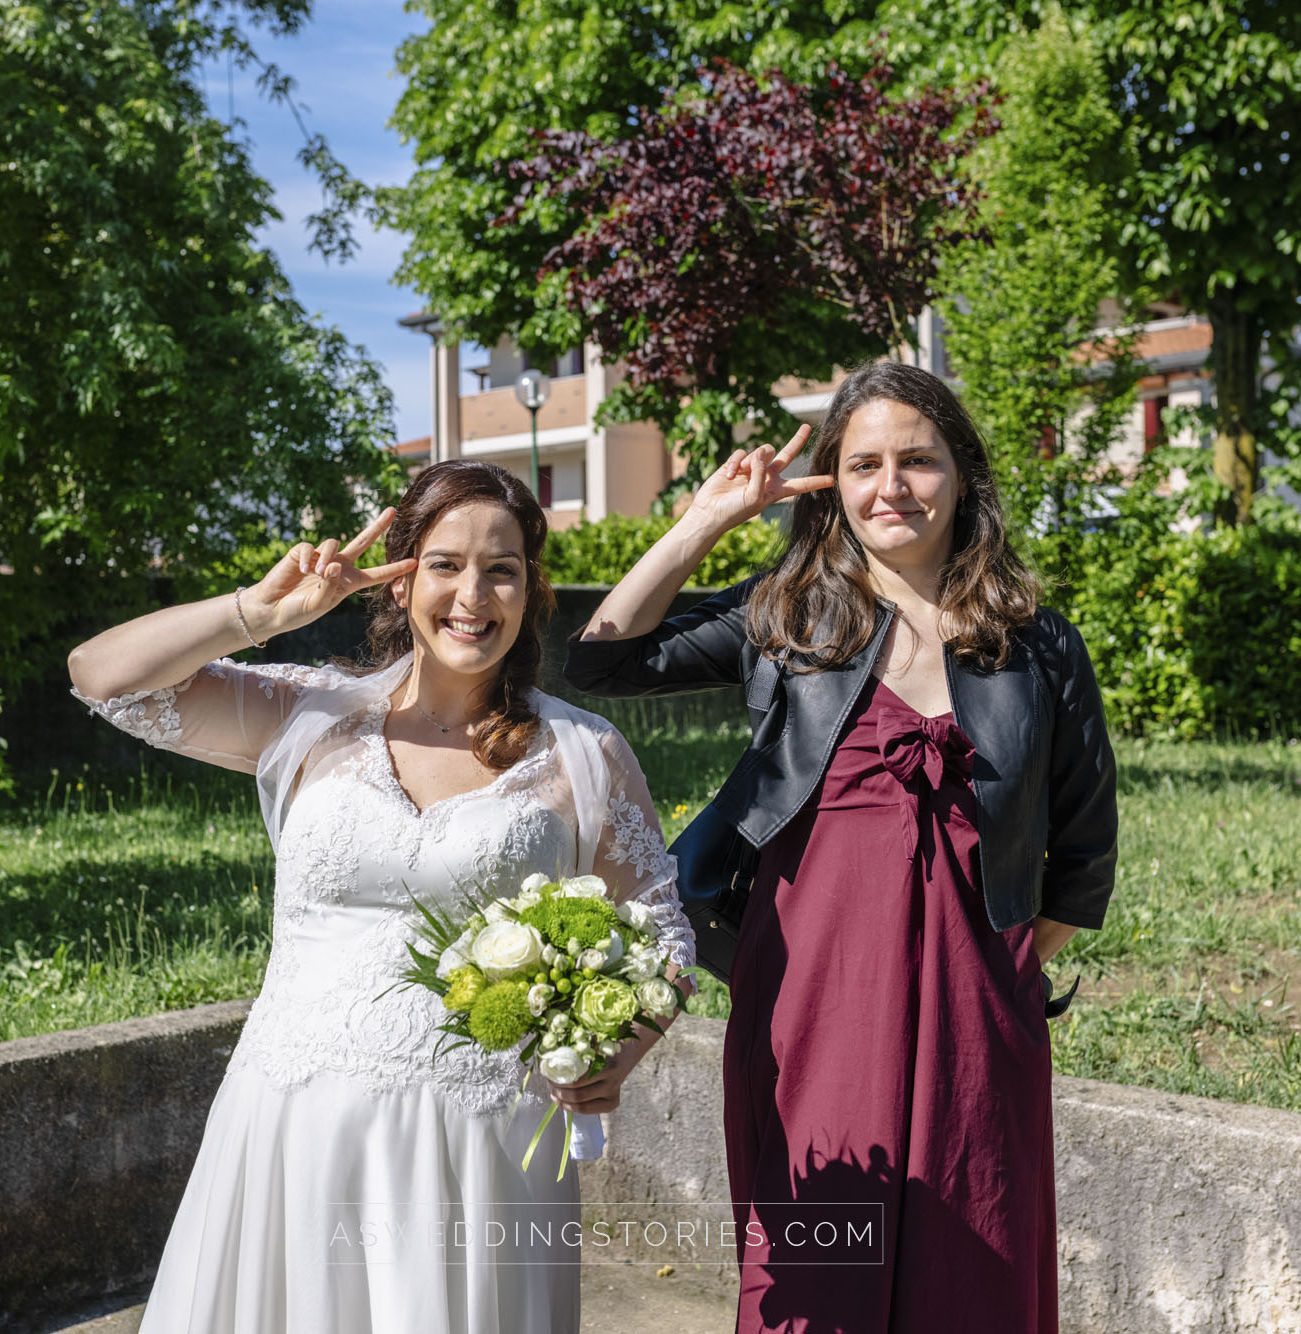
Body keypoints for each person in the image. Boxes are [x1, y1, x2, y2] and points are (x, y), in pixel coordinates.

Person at [67, 460, 695, 1333]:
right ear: (399, 580)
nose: (472, 594)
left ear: (531, 589)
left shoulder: (582, 753)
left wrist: (615, 1054)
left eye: (502, 568)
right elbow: (102, 677)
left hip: (477, 1150)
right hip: (289, 1129)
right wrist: (261, 613)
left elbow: (663, 930)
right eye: (444, 563)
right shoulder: (311, 713)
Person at [563, 359, 1118, 1333]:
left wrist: (995, 970)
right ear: (830, 483)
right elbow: (603, 657)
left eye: (917, 460)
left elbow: (1082, 850)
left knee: (970, 1260)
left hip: (976, 1006)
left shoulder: (1036, 643)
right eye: (862, 463)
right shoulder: (780, 616)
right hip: (810, 995)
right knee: (819, 1255)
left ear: (962, 476)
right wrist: (706, 520)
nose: (889, 486)